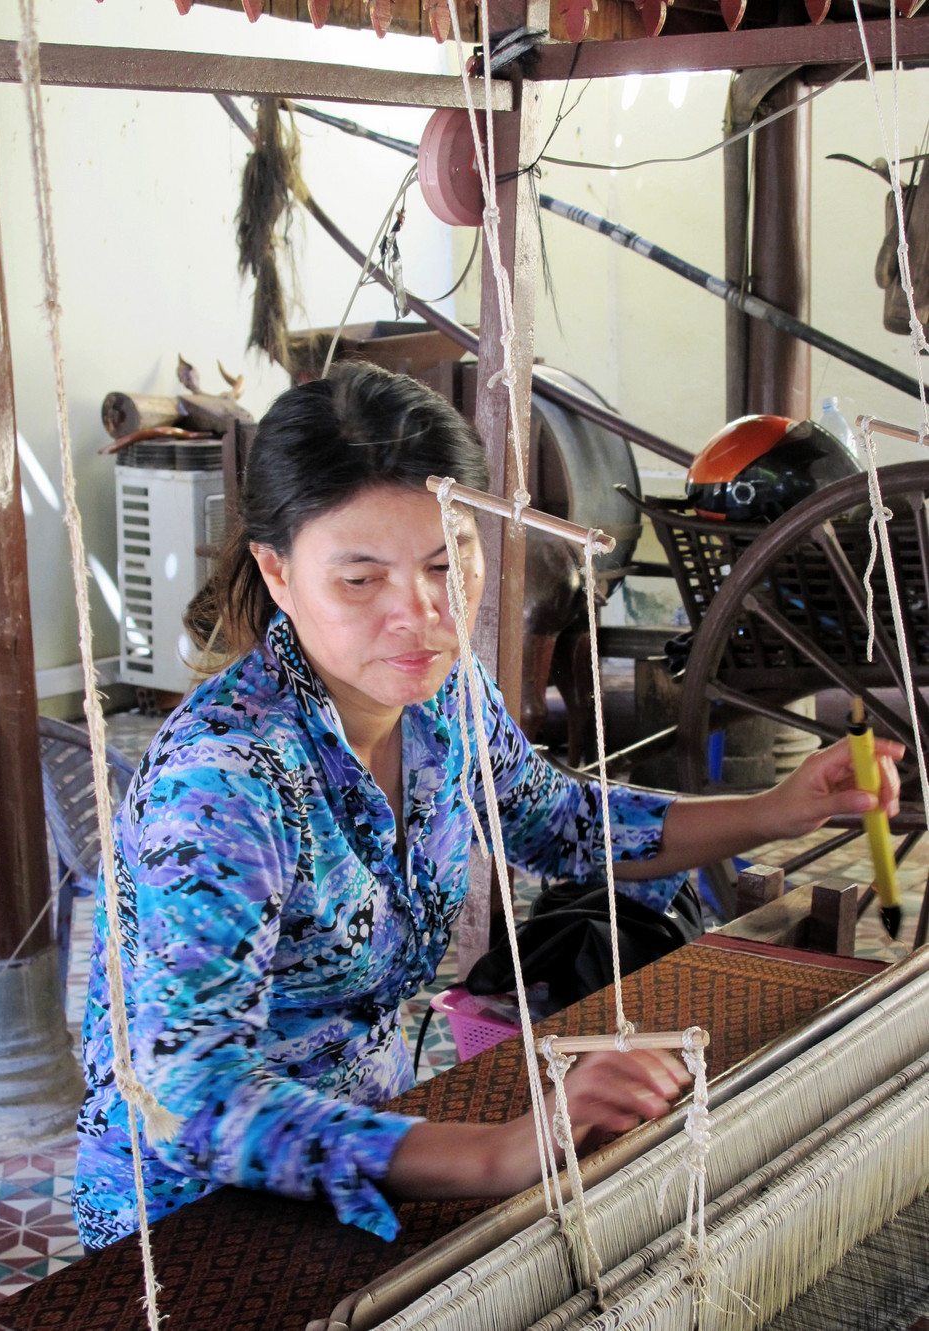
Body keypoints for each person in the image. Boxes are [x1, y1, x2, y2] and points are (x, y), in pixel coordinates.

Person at [72, 361, 902, 1252]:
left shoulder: (445, 699)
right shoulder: (224, 780)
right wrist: (501, 1153)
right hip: (192, 1217)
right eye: (362, 580)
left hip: (380, 1144)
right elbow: (190, 1093)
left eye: (447, 561)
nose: (422, 613)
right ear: (278, 572)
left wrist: (775, 809)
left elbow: (561, 822)